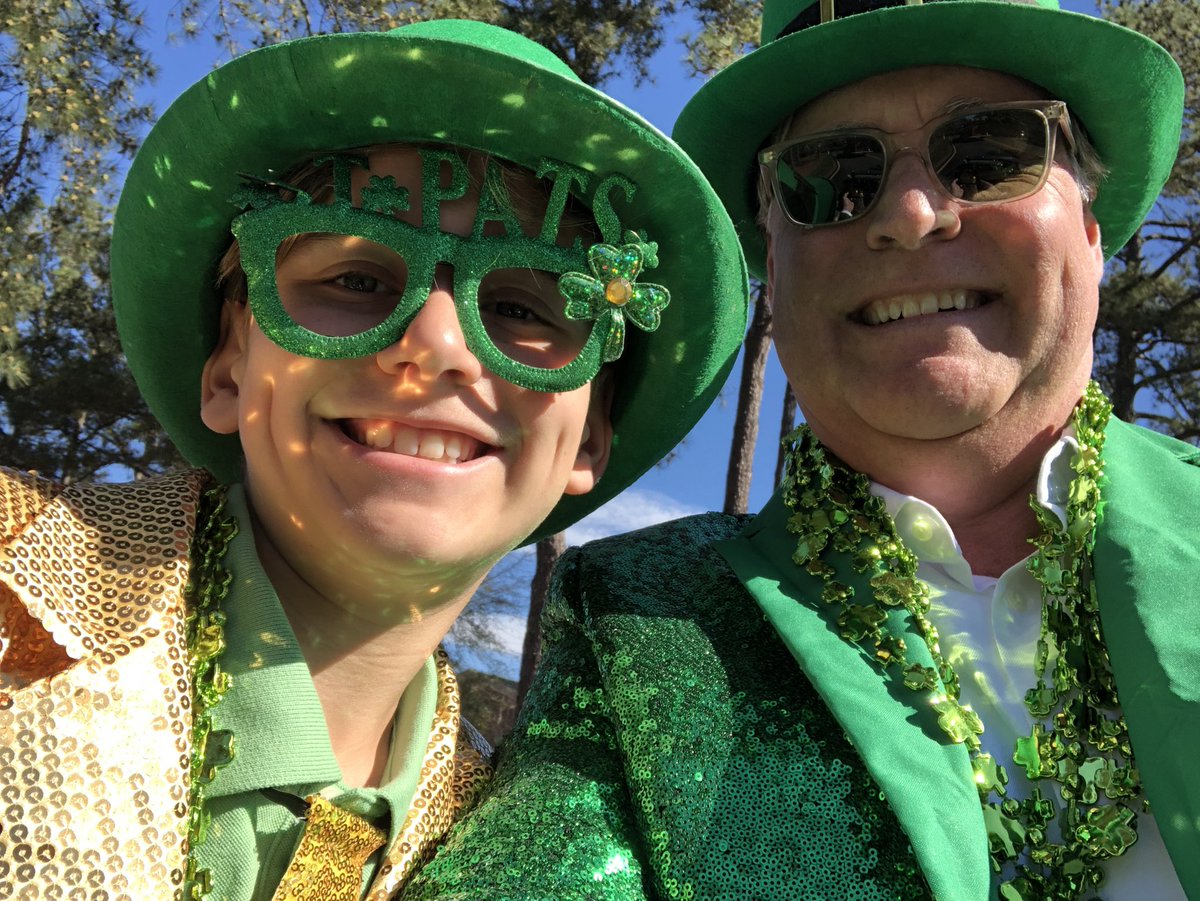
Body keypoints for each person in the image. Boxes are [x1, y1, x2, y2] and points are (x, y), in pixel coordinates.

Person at [402, 2, 1198, 899]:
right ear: (773, 268)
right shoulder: (641, 626)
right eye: (832, 176)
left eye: (988, 154)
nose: (909, 213)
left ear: (1092, 231)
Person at [0, 19, 748, 901]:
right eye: (356, 280)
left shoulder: (518, 854)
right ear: (230, 367)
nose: (436, 344)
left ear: (587, 438)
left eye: (521, 307)